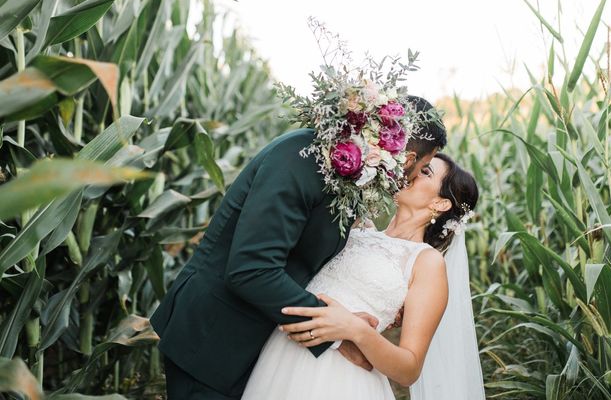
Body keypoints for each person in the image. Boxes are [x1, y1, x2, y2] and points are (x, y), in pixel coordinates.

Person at [149, 95, 447, 399]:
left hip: (264, 349)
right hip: (214, 341)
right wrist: (340, 336)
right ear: (406, 156)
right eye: (422, 167)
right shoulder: (302, 158)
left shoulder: (346, 174)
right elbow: (252, 270)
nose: (410, 176)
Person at [243, 153, 482, 400]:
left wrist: (356, 330)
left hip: (339, 379)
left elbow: (409, 369)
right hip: (282, 353)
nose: (411, 170)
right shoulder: (358, 228)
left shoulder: (426, 262)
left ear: (441, 204)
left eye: (426, 171)